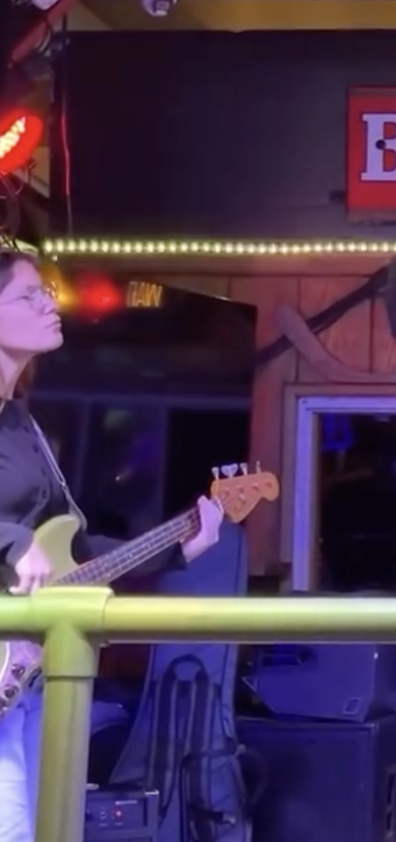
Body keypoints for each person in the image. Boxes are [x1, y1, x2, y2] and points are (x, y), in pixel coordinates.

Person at [0, 248, 225, 840]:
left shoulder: (23, 424)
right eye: (28, 295)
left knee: (47, 826)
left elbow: (71, 543)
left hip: (29, 669)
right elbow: (21, 542)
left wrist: (176, 545)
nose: (49, 303)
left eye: (47, 292)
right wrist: (11, 543)